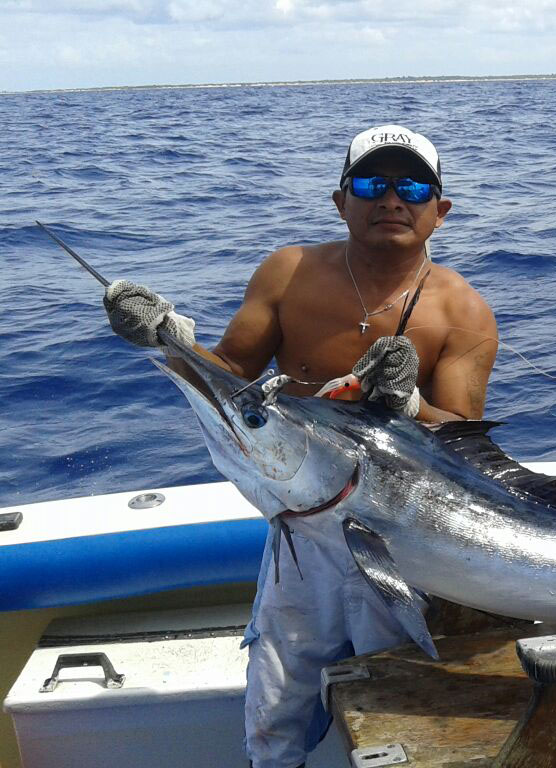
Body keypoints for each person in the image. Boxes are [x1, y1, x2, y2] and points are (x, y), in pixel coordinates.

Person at [102, 124, 498, 768]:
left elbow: (462, 447)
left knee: (400, 713)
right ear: (341, 202)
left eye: (412, 188)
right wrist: (168, 337)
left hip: (403, 542)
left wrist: (410, 404)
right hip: (300, 535)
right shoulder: (288, 272)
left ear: (440, 210)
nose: (391, 200)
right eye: (370, 184)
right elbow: (230, 373)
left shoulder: (465, 312)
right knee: (274, 715)